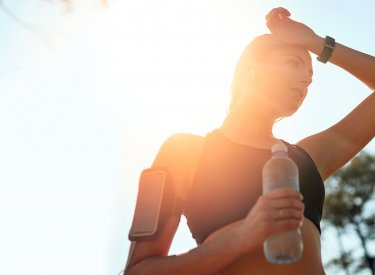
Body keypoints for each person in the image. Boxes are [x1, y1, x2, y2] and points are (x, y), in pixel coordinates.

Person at [124, 7, 375, 275]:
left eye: (310, 78)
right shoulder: (183, 151)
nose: (306, 80)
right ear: (251, 70)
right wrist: (241, 237)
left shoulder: (307, 158)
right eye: (293, 63)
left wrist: (316, 43)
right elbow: (138, 270)